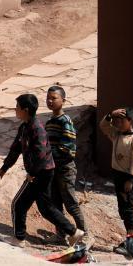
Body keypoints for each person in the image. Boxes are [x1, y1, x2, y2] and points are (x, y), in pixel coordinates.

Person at [0, 94, 86, 248]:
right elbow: (16, 149)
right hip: (42, 172)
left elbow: (41, 154)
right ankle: (74, 232)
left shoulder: (37, 128)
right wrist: (4, 168)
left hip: (41, 173)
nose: (15, 109)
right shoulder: (25, 127)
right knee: (46, 208)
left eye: (17, 107)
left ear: (26, 110)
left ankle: (19, 239)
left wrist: (33, 174)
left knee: (18, 204)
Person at [45, 86, 87, 238]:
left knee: (71, 204)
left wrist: (48, 157)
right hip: (53, 169)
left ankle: (84, 234)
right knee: (56, 203)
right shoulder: (50, 122)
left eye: (54, 98)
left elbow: (67, 147)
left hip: (65, 168)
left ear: (63, 100)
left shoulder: (65, 121)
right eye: (48, 98)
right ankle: (60, 234)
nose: (50, 101)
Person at [100, 107, 133, 236]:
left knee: (128, 208)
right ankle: (130, 237)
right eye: (117, 120)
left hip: (128, 178)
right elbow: (104, 126)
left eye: (122, 121)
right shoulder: (117, 135)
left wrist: (130, 180)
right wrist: (110, 114)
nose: (118, 123)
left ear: (131, 121)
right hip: (118, 176)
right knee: (122, 208)